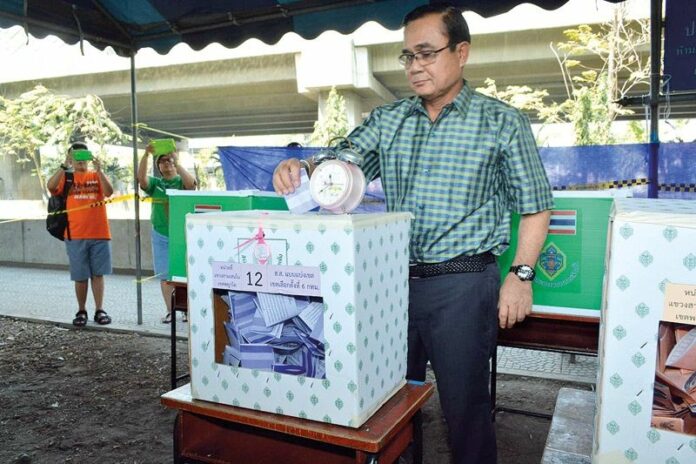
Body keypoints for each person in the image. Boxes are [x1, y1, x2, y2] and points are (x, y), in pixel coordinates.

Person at [272, 4, 554, 463]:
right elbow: (343, 162)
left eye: (427, 53)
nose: (416, 67)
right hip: (392, 284)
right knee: (389, 403)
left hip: (463, 285)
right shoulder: (390, 120)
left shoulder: (502, 122)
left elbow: (535, 206)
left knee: (465, 406)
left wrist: (520, 276)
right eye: (408, 56)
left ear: (461, 52)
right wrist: (303, 166)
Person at [47, 141, 115, 327]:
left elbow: (109, 192)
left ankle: (100, 309)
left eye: (83, 156)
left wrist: (100, 170)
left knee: (98, 274)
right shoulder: (66, 178)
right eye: (76, 156)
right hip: (75, 234)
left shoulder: (95, 176)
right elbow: (51, 187)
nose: (80, 160)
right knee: (80, 275)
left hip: (100, 233)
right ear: (70, 157)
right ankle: (81, 310)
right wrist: (64, 166)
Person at [137, 141, 196, 323]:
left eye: (169, 161)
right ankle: (170, 311)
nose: (167, 164)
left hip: (182, 235)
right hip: (160, 235)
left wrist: (177, 161)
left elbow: (192, 185)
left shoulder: (181, 181)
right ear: (158, 167)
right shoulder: (156, 184)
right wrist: (146, 155)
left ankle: (186, 310)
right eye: (162, 162)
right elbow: (142, 179)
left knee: (184, 273)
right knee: (164, 275)